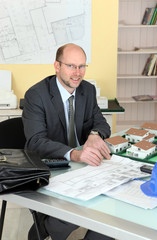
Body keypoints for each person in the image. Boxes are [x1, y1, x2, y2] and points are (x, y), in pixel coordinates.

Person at [22, 43, 113, 240]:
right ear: (57, 66)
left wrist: (95, 134)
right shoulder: (36, 95)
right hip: (51, 165)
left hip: (81, 167)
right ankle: (44, 229)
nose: (77, 73)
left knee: (110, 206)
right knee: (77, 211)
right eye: (71, 66)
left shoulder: (87, 90)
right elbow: (36, 141)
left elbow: (102, 123)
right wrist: (75, 153)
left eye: (82, 66)